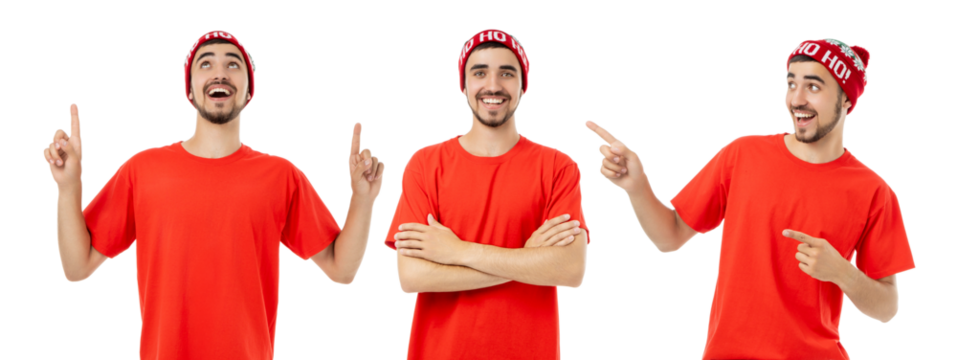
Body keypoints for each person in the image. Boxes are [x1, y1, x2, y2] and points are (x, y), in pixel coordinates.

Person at [42, 30, 386, 360]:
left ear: (249, 89)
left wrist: (363, 199)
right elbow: (77, 267)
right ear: (189, 88)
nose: (219, 72)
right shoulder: (142, 169)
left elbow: (342, 270)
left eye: (233, 64)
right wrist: (68, 187)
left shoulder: (281, 175)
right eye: (205, 63)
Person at [583, 38, 915, 359]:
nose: (796, 99)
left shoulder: (874, 192)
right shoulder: (742, 155)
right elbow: (669, 236)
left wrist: (841, 272)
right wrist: (636, 185)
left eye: (813, 86)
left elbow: (887, 308)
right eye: (791, 83)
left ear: (846, 99)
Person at [385, 28, 590, 359]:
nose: (492, 85)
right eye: (479, 72)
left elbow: (570, 270)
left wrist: (457, 251)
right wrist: (526, 258)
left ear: (523, 85)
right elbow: (410, 276)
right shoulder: (424, 164)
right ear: (463, 85)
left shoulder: (558, 166)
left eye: (506, 73)